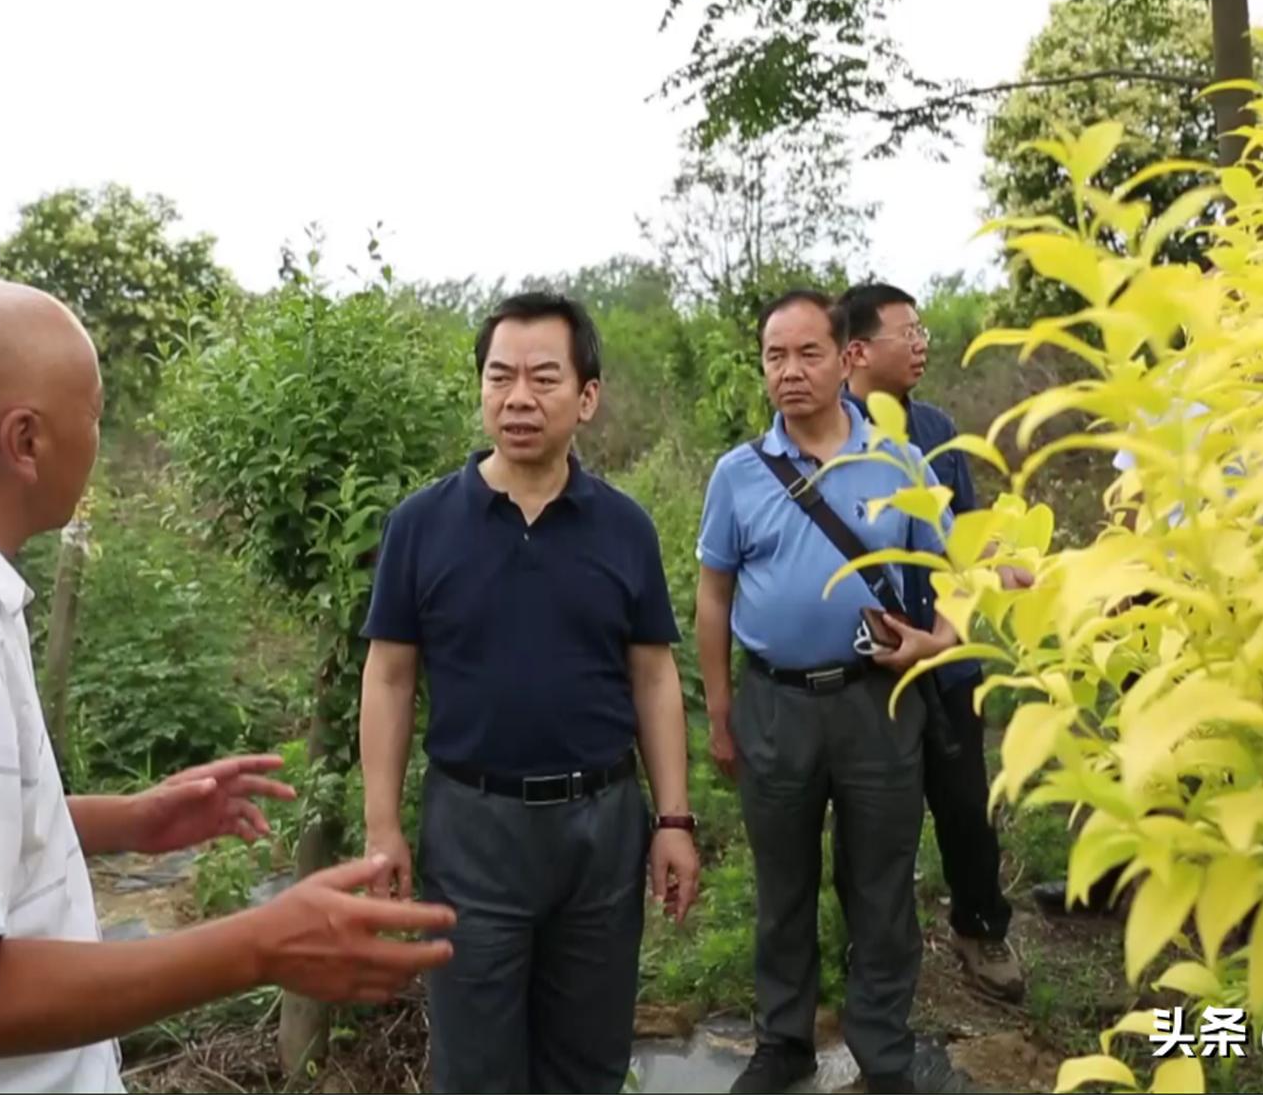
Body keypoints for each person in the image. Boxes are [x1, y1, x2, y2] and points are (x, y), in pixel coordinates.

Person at [0, 280, 457, 1094]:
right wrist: (263, 943)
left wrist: (129, 822)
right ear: (25, 440)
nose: (102, 437)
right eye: (97, 412)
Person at [358, 291, 701, 1094]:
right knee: (476, 1065)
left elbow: (653, 676)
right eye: (499, 377)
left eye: (543, 378)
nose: (518, 398)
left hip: (602, 830)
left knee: (587, 1060)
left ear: (586, 397)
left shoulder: (624, 527)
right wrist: (383, 827)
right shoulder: (423, 524)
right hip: (473, 829)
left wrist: (674, 818)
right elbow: (390, 674)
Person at [697, 289, 960, 1095]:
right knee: (783, 883)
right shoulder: (739, 475)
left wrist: (935, 640)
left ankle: (883, 1047)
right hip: (773, 702)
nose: (790, 372)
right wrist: (718, 712)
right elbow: (713, 596)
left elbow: (954, 587)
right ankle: (785, 1039)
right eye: (774, 356)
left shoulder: (898, 463)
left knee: (880, 883)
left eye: (807, 353)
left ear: (845, 358)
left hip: (875, 702)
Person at [837, 282, 1025, 1002]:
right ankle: (868, 940)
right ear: (857, 351)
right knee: (868, 816)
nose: (921, 343)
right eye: (905, 331)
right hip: (872, 661)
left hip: (946, 656)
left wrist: (994, 570)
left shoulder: (940, 430)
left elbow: (966, 541)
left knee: (965, 803)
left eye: (922, 331)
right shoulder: (829, 437)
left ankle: (981, 926)